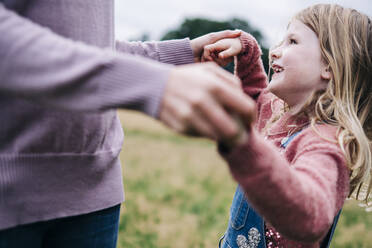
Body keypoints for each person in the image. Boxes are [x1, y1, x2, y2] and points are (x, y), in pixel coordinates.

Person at [0, 1, 256, 247]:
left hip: (97, 193)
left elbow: (87, 48)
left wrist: (180, 55)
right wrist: (151, 84)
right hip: (10, 197)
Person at [202, 3, 372, 248]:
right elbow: (253, 100)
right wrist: (247, 52)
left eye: (292, 42)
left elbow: (310, 218)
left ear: (329, 66)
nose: (274, 51)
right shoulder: (280, 113)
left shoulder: (325, 144)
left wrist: (246, 149)